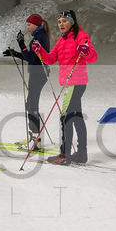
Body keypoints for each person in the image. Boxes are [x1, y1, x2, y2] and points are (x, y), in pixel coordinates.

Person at [32, 10, 97, 164]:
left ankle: (65, 155)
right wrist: (39, 50)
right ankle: (81, 154)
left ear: (72, 22)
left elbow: (93, 57)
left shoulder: (81, 36)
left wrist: (86, 51)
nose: (61, 24)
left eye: (64, 21)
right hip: (70, 83)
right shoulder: (62, 40)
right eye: (59, 21)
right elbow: (50, 58)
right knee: (76, 117)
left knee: (65, 117)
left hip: (76, 82)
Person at [3, 13, 51, 148]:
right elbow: (31, 57)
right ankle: (34, 136)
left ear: (36, 24)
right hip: (37, 74)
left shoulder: (40, 37)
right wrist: (16, 53)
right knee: (30, 103)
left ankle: (36, 141)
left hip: (38, 74)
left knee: (32, 105)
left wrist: (21, 44)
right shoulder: (39, 36)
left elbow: (31, 58)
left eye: (29, 25)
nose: (27, 27)